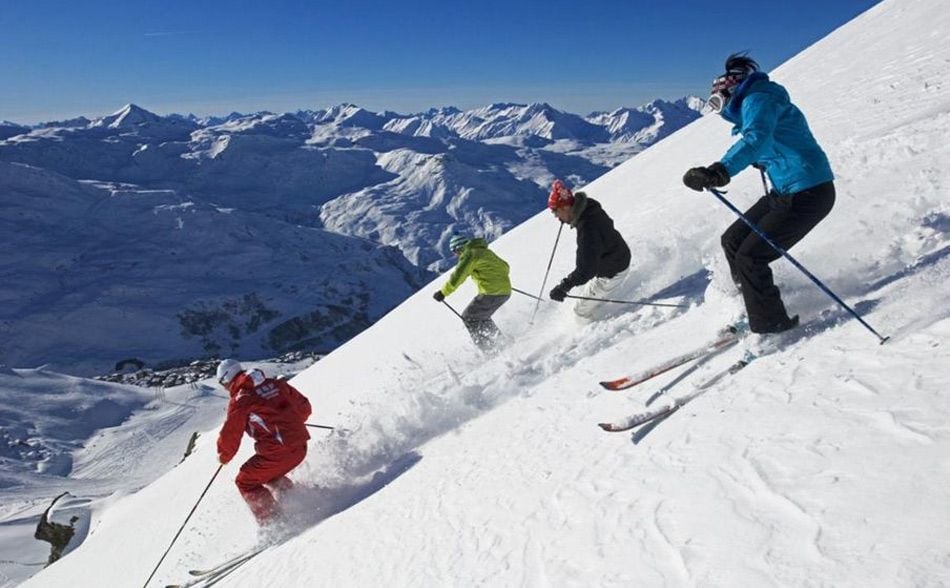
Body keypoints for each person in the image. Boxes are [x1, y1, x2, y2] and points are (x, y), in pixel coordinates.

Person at [683, 53, 835, 334]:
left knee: (750, 257)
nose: (718, 109)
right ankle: (755, 304)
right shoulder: (757, 100)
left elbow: (756, 138)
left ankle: (771, 325)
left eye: (718, 101)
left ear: (730, 92)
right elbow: (766, 139)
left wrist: (719, 171)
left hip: (808, 192)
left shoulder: (757, 100)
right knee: (732, 240)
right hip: (787, 190)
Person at [215, 359, 312, 526]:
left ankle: (274, 524)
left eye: (222, 383)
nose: (224, 388)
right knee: (271, 476)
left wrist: (223, 455)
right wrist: (287, 423)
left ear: (227, 378)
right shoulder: (275, 384)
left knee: (245, 481)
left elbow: (231, 431)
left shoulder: (241, 399)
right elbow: (304, 407)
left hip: (280, 451)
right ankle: (301, 504)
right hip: (301, 445)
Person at [547, 180, 631, 320]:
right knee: (587, 293)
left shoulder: (588, 229)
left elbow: (586, 270)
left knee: (580, 311)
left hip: (612, 270)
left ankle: (602, 326)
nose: (557, 218)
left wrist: (563, 287)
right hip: (618, 255)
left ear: (565, 208)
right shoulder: (589, 207)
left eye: (556, 212)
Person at [433, 234, 511, 350]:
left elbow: (458, 275)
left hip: (491, 292)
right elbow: (505, 267)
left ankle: (489, 350)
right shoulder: (485, 251)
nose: (456, 255)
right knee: (481, 317)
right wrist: (496, 278)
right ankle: (501, 343)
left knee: (469, 317)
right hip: (505, 291)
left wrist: (443, 292)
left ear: (458, 248)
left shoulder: (469, 254)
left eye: (454, 252)